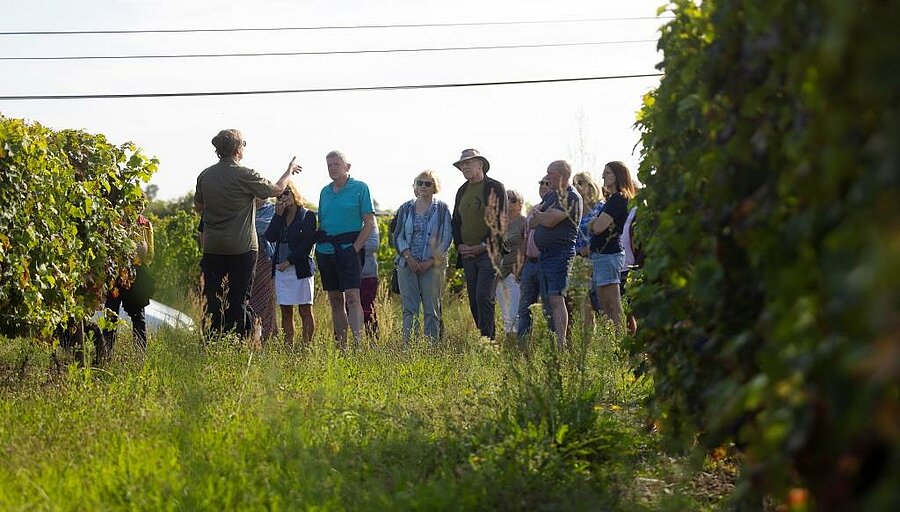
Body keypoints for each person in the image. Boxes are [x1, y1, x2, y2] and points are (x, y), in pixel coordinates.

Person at [194, 129, 300, 338]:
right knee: (239, 300)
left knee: (214, 300)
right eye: (243, 144)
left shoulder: (205, 175)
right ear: (237, 149)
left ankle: (213, 342)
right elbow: (277, 189)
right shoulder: (245, 175)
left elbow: (198, 206)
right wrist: (288, 170)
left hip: (214, 247)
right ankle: (240, 344)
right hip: (241, 248)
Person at [315, 150, 376, 348]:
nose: (332, 168)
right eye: (329, 165)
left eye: (336, 164)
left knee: (352, 297)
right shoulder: (325, 191)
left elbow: (369, 223)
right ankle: (342, 346)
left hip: (349, 249)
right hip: (326, 251)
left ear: (347, 167)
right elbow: (322, 222)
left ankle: (358, 346)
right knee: (334, 299)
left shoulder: (360, 188)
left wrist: (355, 248)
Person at [450, 149, 508, 340]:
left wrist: (482, 246)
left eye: (468, 163)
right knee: (474, 299)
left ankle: (489, 340)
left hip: (488, 253)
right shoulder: (462, 190)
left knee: (484, 296)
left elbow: (501, 222)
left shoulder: (494, 187)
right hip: (467, 253)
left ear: (480, 164)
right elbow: (456, 221)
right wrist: (459, 245)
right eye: (462, 165)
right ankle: (483, 339)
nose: (464, 167)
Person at [393, 170, 453, 344]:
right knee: (409, 310)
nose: (423, 186)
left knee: (431, 309)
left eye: (428, 183)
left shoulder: (442, 209)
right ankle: (409, 348)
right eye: (420, 183)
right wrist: (408, 257)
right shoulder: (405, 208)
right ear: (415, 186)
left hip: (432, 266)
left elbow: (446, 238)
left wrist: (430, 262)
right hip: (407, 265)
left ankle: (430, 349)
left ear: (435, 186)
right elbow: (398, 236)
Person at [531, 160, 582, 350]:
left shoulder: (571, 197)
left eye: (550, 174)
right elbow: (532, 221)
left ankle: (562, 343)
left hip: (560, 253)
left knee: (556, 297)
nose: (547, 177)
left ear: (562, 175)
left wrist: (541, 215)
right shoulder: (552, 196)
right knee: (548, 299)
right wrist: (541, 215)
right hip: (545, 254)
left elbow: (550, 220)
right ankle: (554, 340)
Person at [265, 181, 317, 347]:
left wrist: (289, 261)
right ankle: (289, 347)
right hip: (281, 269)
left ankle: (306, 346)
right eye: (280, 195)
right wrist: (277, 216)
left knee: (305, 309)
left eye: (286, 193)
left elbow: (307, 244)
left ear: (294, 193)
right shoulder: (280, 215)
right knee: (286, 311)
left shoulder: (307, 215)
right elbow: (270, 237)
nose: (283, 197)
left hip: (300, 268)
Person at [589, 161, 638, 330]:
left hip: (609, 254)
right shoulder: (612, 199)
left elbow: (598, 227)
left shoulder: (619, 198)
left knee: (613, 305)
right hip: (602, 255)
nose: (603, 176)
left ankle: (620, 346)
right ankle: (614, 345)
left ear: (618, 175)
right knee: (604, 305)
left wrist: (594, 222)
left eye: (608, 173)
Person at [102, 209, 155, 357]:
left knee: (135, 317)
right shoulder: (117, 222)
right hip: (118, 274)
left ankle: (137, 356)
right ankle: (107, 354)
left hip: (128, 275)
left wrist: (139, 255)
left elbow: (150, 255)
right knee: (114, 314)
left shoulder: (144, 224)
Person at [516, 176, 555, 340]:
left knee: (549, 308)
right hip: (529, 264)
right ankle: (522, 346)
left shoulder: (555, 209)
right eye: (542, 183)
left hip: (546, 263)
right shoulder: (534, 209)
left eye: (548, 184)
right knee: (524, 308)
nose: (544, 186)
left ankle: (553, 345)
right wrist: (521, 263)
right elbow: (526, 238)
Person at [573, 172, 605, 330]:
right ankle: (588, 347)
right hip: (579, 263)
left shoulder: (601, 207)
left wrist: (589, 248)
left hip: (597, 260)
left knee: (600, 304)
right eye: (575, 183)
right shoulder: (575, 211)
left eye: (581, 183)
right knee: (584, 309)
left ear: (590, 185)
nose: (577, 187)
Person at [496, 189, 525, 337]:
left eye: (513, 200)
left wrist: (520, 269)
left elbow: (527, 246)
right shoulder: (498, 223)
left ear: (520, 204)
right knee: (506, 314)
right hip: (499, 274)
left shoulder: (523, 222)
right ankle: (510, 344)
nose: (509, 202)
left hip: (515, 273)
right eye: (506, 199)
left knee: (515, 313)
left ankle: (519, 344)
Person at [250, 198, 277, 342]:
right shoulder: (246, 207)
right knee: (250, 299)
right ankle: (252, 335)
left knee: (267, 298)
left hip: (266, 259)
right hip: (248, 258)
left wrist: (251, 225)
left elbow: (265, 228)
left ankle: (268, 336)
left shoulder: (272, 209)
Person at [358, 224, 381, 335]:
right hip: (345, 272)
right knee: (345, 308)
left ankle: (372, 341)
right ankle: (344, 343)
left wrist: (352, 247)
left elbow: (373, 245)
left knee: (368, 309)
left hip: (367, 273)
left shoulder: (369, 221)